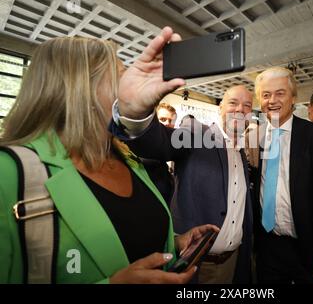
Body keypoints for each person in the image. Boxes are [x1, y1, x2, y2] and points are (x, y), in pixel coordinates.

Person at [0, 35, 217, 284]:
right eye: (121, 76)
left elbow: (126, 233)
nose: (131, 86)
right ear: (81, 89)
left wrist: (175, 243)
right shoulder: (9, 171)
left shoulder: (124, 155)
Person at [110, 28, 254, 284]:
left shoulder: (242, 150)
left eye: (246, 106)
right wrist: (136, 112)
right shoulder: (197, 132)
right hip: (198, 265)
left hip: (234, 263)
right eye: (233, 103)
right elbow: (160, 144)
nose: (239, 110)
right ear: (220, 107)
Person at [251, 67, 313, 284]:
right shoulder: (254, 137)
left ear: (293, 98)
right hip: (267, 247)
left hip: (308, 247)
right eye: (265, 95)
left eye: (280, 93)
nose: (272, 100)